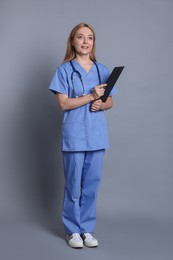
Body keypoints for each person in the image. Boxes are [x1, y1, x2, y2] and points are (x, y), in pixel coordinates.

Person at [49, 23, 116, 248]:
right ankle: (72, 230)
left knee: (91, 185)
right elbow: (64, 104)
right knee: (73, 185)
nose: (85, 42)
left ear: (93, 43)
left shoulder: (102, 69)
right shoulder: (64, 70)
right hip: (75, 136)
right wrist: (90, 97)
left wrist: (101, 104)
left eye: (90, 38)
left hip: (97, 136)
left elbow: (110, 101)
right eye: (80, 37)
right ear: (73, 42)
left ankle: (86, 229)